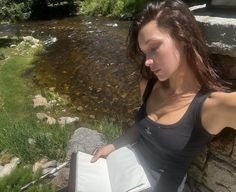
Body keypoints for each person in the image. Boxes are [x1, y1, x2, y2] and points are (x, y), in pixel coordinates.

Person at [90, 0, 236, 191]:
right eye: (144, 53)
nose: (148, 61)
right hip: (125, 167)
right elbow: (144, 127)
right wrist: (114, 145)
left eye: (154, 47)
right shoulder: (149, 84)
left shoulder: (212, 105)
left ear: (184, 37)